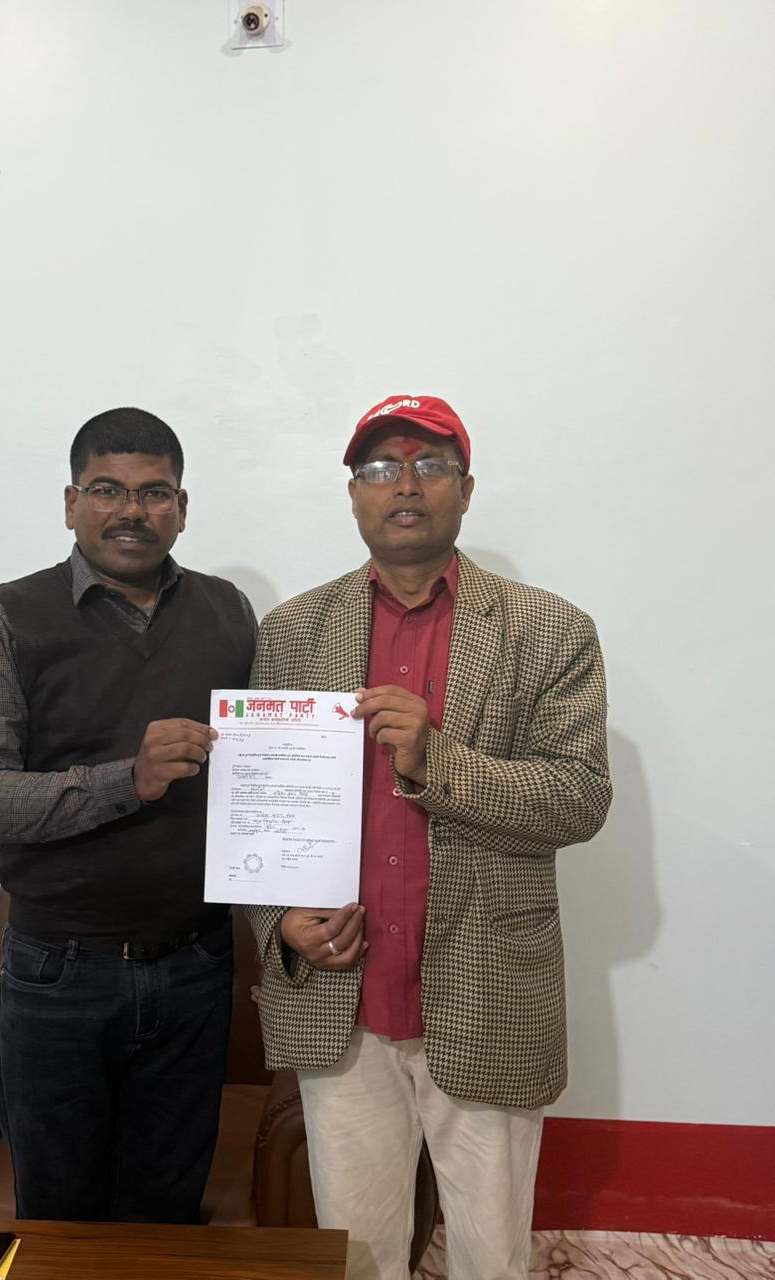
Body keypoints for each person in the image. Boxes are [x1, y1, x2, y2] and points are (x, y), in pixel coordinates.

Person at [245, 394, 612, 1280]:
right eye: (379, 468)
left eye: (429, 465)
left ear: (466, 489)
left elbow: (579, 799)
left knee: (491, 1260)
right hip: (344, 1002)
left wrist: (435, 760)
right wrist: (279, 919)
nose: (403, 485)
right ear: (354, 495)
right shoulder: (293, 632)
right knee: (358, 1258)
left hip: (488, 991)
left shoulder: (551, 629)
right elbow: (257, 807)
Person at [0, 407, 256, 1223]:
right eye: (108, 489)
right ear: (71, 502)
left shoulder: (228, 613)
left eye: (155, 493)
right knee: (59, 1218)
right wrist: (129, 780)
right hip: (59, 975)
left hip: (196, 963)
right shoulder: (7, 619)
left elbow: (265, 773)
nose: (131, 511)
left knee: (168, 1214)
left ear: (182, 508)